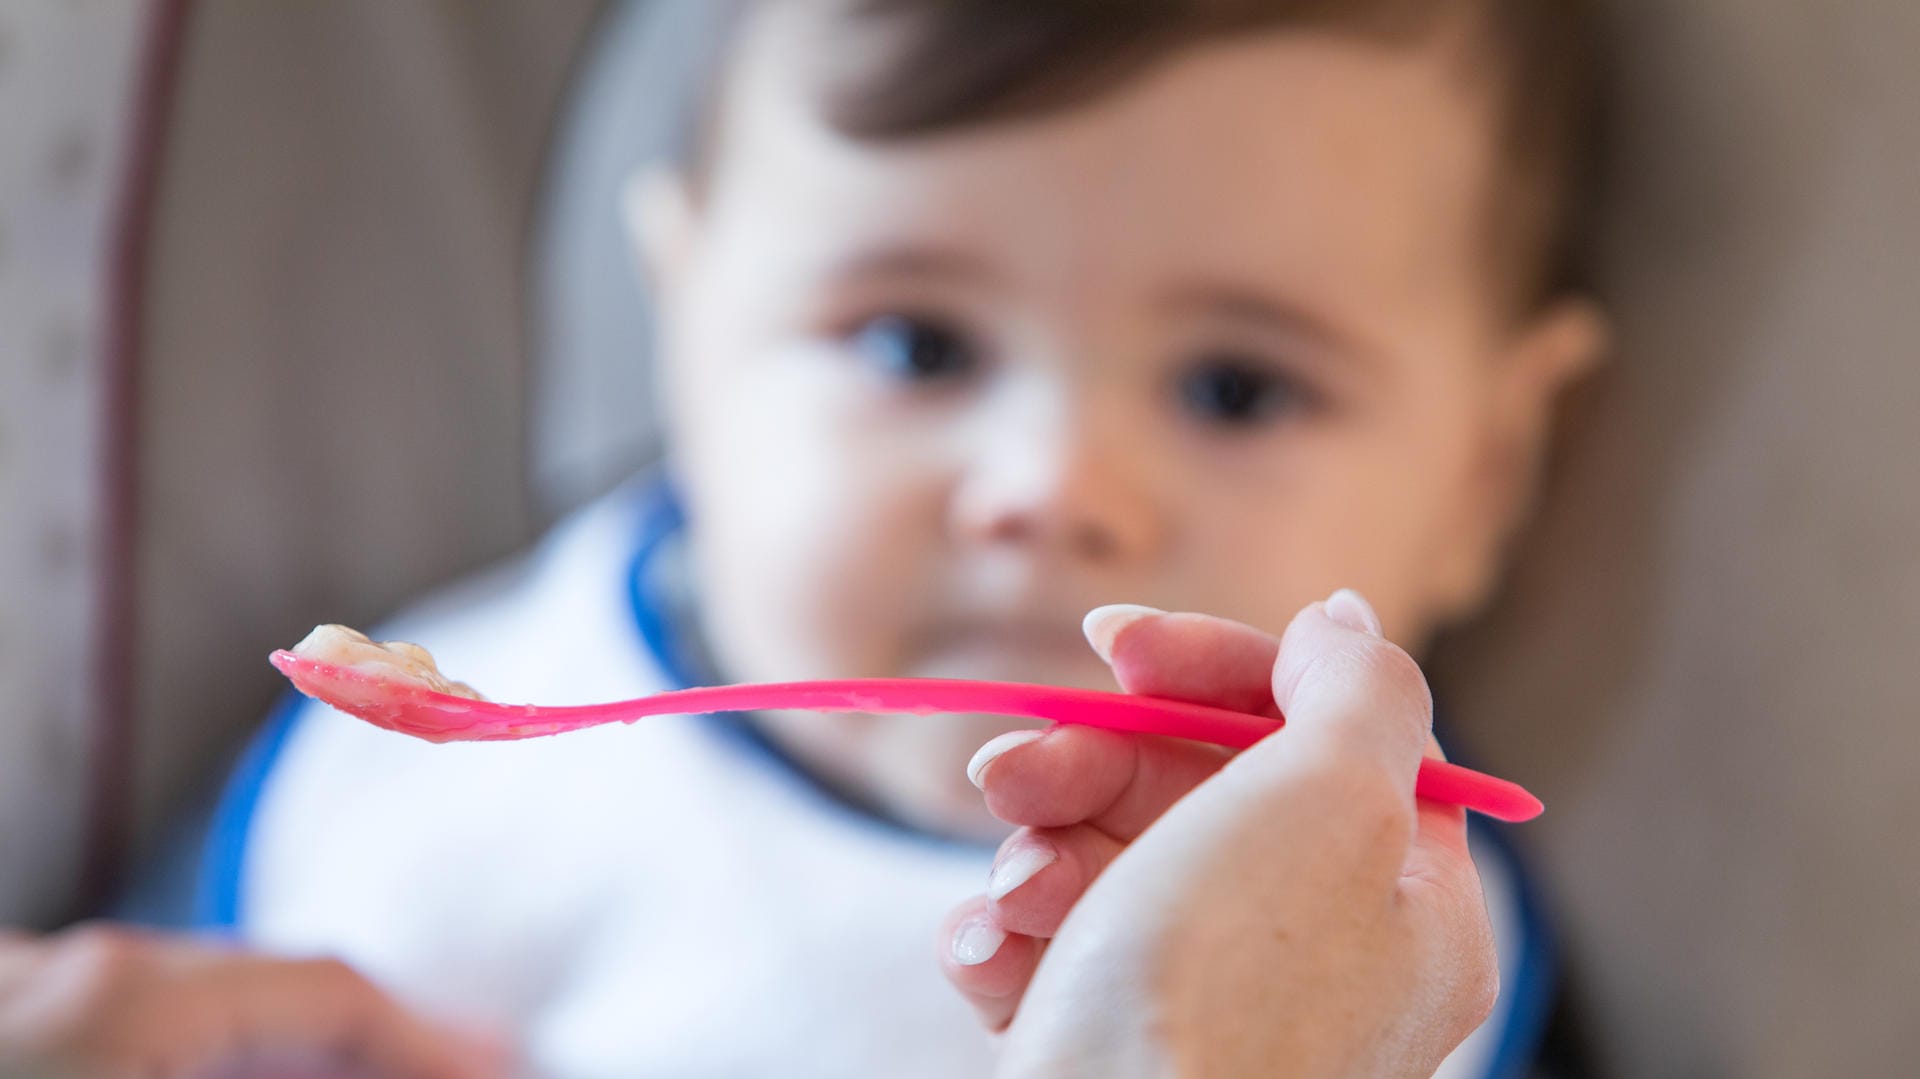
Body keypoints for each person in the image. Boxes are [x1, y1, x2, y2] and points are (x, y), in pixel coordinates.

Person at [3, 0, 1609, 1074]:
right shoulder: (452, 750)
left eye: (1235, 386)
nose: (1047, 485)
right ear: (684, 327)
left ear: (1485, 474)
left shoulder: (1376, 968)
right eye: (917, 346)